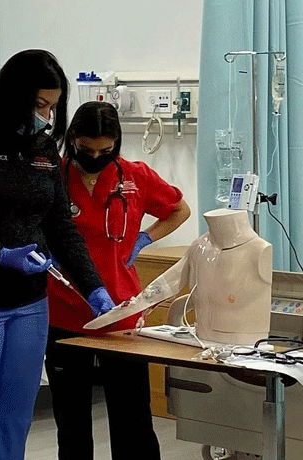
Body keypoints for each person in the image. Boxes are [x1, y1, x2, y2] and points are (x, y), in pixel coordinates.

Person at [0, 50, 115, 460]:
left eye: (52, 106)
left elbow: (60, 227)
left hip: (30, 303)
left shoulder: (42, 147)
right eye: (38, 105)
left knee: (14, 418)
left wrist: (94, 287)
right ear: (13, 93)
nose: (46, 116)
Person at [44, 101, 190, 460]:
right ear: (72, 139)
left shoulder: (134, 177)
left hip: (121, 314)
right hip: (64, 314)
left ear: (117, 144)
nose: (94, 156)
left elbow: (179, 210)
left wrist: (146, 238)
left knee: (133, 418)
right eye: (86, 148)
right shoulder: (53, 176)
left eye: (104, 150)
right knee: (71, 420)